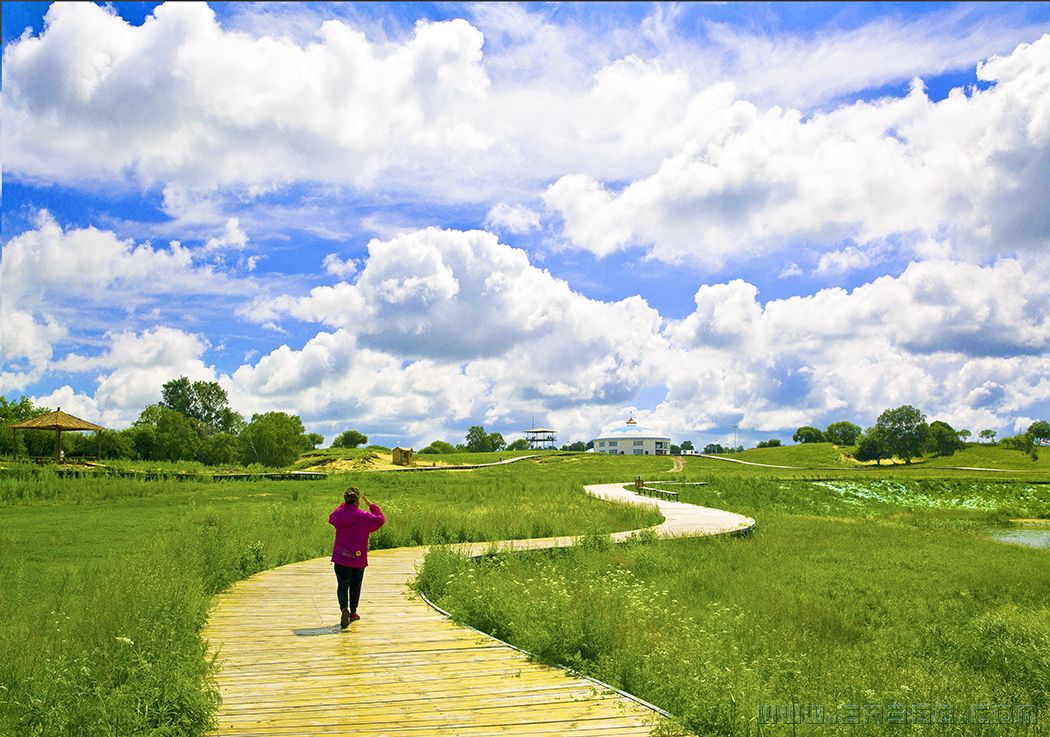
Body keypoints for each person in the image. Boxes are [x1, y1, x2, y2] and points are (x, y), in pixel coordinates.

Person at [328, 487, 385, 629]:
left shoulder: (339, 514)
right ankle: (353, 613)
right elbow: (380, 520)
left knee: (342, 586)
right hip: (358, 558)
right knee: (355, 586)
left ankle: (343, 609)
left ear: (345, 500)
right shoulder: (364, 516)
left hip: (341, 558)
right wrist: (372, 506)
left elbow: (331, 517)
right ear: (358, 500)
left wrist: (343, 506)